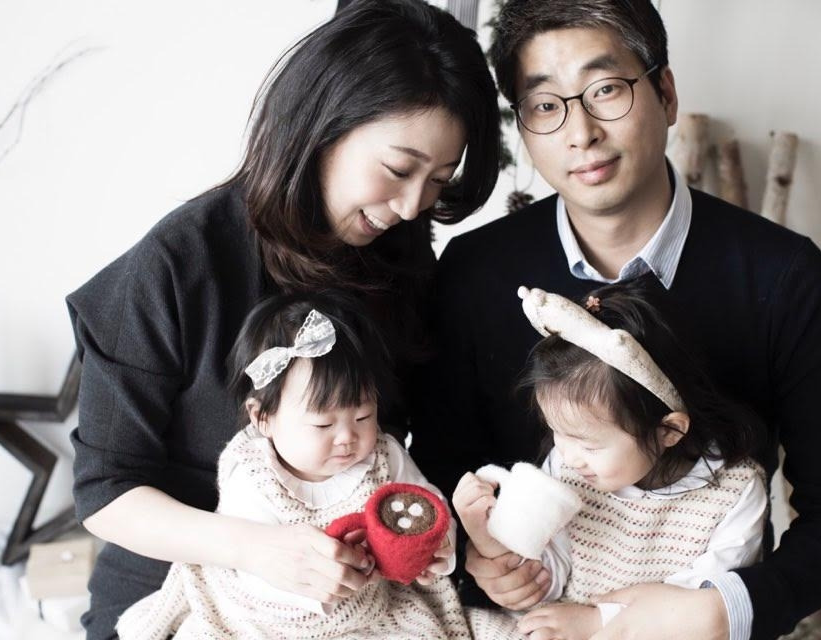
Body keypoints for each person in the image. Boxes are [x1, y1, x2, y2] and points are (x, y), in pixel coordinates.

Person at [410, 1, 821, 638]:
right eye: (546, 105)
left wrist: (721, 610)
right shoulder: (475, 272)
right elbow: (439, 470)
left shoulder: (786, 279)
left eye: (606, 89)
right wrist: (478, 562)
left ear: (665, 93)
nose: (581, 133)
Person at [65, 0, 500, 637]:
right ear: (324, 124)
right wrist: (257, 549)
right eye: (399, 169)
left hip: (352, 603)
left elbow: (413, 446)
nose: (412, 206)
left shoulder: (400, 259)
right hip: (180, 593)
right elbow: (106, 492)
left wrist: (451, 539)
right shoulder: (177, 264)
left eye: (437, 180)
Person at [115, 292, 470, 639]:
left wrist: (437, 548)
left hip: (373, 612)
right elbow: (253, 570)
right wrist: (321, 583)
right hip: (265, 616)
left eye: (363, 416)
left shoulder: (383, 457)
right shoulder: (253, 475)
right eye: (323, 425)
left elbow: (428, 506)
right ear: (263, 418)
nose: (347, 437)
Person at [454, 283, 767, 640]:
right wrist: (490, 538)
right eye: (557, 432)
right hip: (561, 621)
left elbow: (699, 613)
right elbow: (548, 578)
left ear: (669, 431)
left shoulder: (733, 493)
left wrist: (596, 623)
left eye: (588, 445)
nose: (568, 456)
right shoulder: (571, 467)